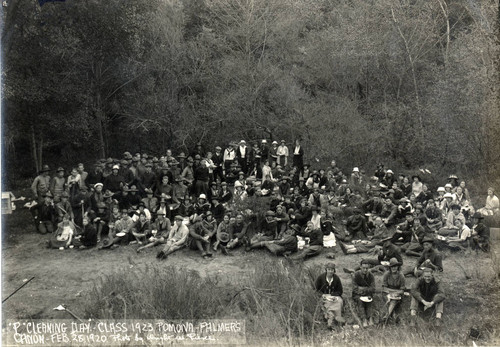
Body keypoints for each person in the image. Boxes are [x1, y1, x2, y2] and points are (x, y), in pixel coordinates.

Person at [315, 262, 345, 327]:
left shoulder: (336, 278)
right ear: (326, 269)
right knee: (326, 305)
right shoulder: (321, 277)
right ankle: (330, 320)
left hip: (334, 297)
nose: (330, 271)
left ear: (334, 271)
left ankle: (338, 318)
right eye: (329, 269)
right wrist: (322, 295)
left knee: (339, 302)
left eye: (332, 270)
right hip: (324, 297)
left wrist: (333, 295)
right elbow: (316, 290)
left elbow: (340, 291)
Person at [352, 259, 376, 327]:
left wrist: (363, 289)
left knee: (369, 301)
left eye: (367, 268)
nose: (365, 270)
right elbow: (354, 288)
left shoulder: (371, 276)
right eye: (363, 268)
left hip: (368, 294)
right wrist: (362, 292)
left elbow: (373, 288)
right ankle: (364, 319)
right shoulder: (356, 275)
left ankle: (370, 318)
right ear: (360, 267)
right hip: (357, 295)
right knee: (360, 301)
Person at [381, 258, 406, 323]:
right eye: (392, 266)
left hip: (397, 295)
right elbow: (384, 288)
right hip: (387, 293)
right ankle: (390, 316)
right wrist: (393, 291)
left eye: (395, 266)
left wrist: (395, 293)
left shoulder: (401, 276)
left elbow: (402, 290)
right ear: (390, 267)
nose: (393, 268)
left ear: (398, 267)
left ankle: (386, 316)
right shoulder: (387, 274)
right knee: (389, 300)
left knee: (394, 300)